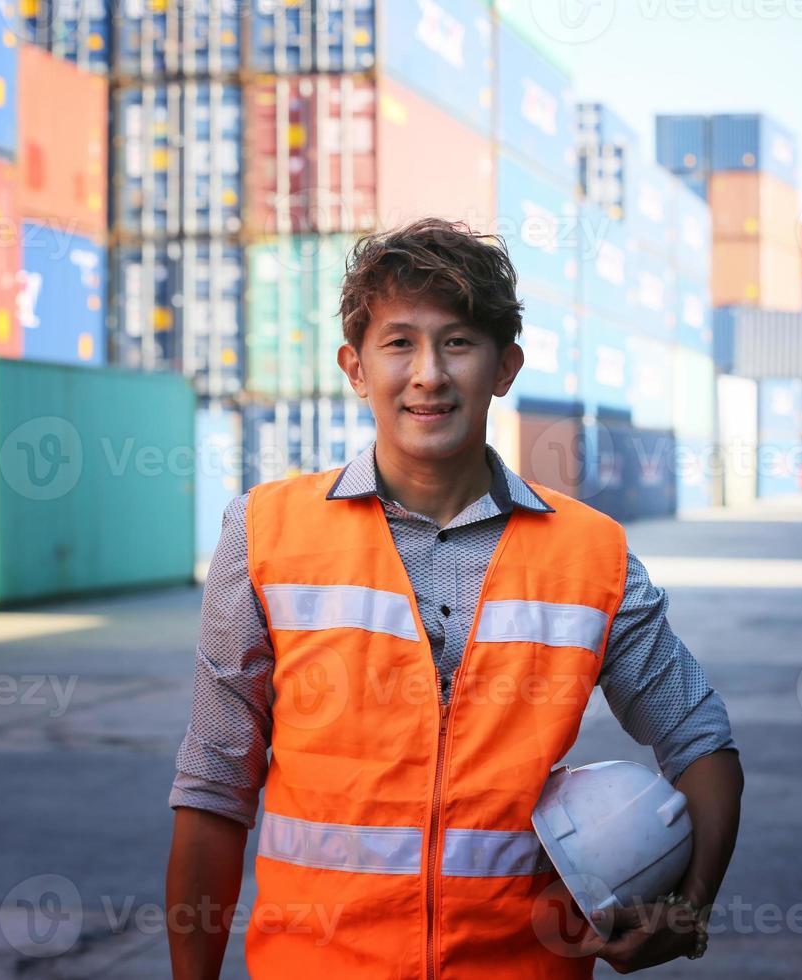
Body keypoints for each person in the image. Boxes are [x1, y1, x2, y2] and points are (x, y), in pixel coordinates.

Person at [166, 218, 743, 978]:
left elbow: (701, 740)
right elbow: (213, 788)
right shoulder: (265, 533)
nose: (429, 373)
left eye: (459, 343)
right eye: (399, 342)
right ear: (355, 366)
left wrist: (691, 907)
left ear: (505, 367)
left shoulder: (590, 553)